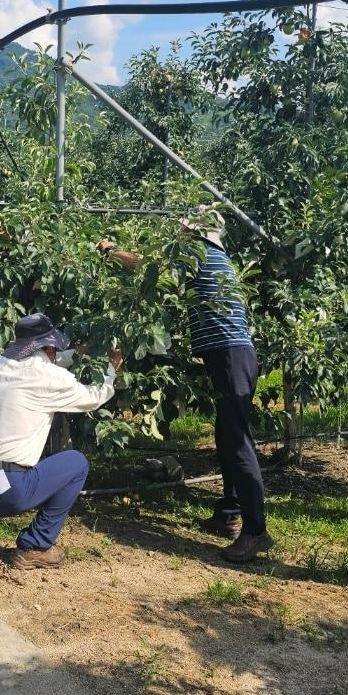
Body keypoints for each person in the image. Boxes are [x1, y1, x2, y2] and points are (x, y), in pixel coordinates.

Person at [100, 216, 272, 563]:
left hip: (230, 354)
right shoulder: (215, 257)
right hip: (233, 355)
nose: (178, 232)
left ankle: (256, 532)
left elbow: (151, 271)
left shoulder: (195, 252)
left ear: (194, 232)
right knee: (228, 435)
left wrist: (111, 252)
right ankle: (230, 512)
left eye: (183, 227)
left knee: (237, 440)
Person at [0, 314, 121, 568]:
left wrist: (77, 352)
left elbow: (43, 364)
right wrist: (111, 371)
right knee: (76, 463)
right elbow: (94, 396)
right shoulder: (51, 379)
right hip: (3, 490)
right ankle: (36, 544)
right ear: (49, 347)